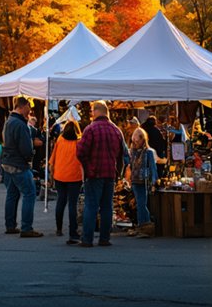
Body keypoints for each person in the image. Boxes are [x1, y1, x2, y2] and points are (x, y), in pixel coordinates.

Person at [76, 100, 128, 248]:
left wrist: (87, 167)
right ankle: (104, 238)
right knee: (107, 207)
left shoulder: (90, 129)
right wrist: (118, 172)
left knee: (91, 206)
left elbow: (80, 152)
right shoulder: (116, 130)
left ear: (95, 111)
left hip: (94, 173)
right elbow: (122, 154)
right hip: (110, 173)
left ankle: (87, 239)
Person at [2, 97, 40, 237]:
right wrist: (30, 154)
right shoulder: (20, 124)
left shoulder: (9, 121)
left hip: (8, 162)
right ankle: (26, 228)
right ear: (23, 106)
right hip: (18, 164)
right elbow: (25, 148)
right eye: (29, 107)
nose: (30, 110)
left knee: (12, 194)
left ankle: (10, 225)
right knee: (29, 193)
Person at [49, 120, 83, 244]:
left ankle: (58, 228)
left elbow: (53, 158)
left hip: (60, 174)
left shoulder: (60, 140)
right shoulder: (79, 142)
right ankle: (73, 232)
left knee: (61, 200)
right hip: (74, 176)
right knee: (72, 204)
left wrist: (51, 173)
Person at [128, 127, 158, 238]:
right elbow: (130, 165)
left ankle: (144, 225)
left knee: (141, 203)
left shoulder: (148, 152)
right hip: (135, 180)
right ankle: (144, 225)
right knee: (140, 204)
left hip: (144, 180)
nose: (135, 142)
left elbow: (153, 167)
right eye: (134, 140)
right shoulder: (133, 152)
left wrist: (154, 181)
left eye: (137, 140)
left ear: (142, 139)